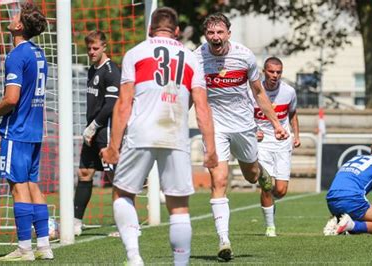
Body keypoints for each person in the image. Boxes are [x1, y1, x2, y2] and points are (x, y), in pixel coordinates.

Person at [101, 7, 217, 266]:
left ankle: (134, 257)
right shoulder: (191, 58)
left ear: (150, 29)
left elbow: (124, 103)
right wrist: (210, 149)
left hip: (141, 133)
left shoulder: (136, 53)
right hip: (175, 134)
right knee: (178, 206)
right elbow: (202, 106)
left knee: (123, 194)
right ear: (176, 31)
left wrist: (113, 147)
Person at [194, 13, 288, 262]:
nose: (216, 37)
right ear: (206, 35)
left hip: (244, 125)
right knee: (219, 180)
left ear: (228, 34)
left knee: (252, 176)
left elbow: (258, 93)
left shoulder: (244, 55)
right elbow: (191, 93)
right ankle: (224, 240)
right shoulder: (196, 57)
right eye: (211, 33)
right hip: (215, 127)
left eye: (220, 32)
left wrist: (276, 124)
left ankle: (261, 172)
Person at [0, 3, 53, 261]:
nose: (11, 17)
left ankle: (24, 248)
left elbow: (11, 98)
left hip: (18, 131)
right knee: (32, 185)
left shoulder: (16, 55)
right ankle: (44, 246)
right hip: (35, 130)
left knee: (18, 187)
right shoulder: (39, 53)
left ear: (19, 26)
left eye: (15, 16)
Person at [73, 30, 121, 236]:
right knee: (84, 173)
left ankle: (125, 225)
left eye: (95, 48)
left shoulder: (111, 71)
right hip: (92, 130)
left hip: (106, 130)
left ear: (104, 47)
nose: (92, 52)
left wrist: (94, 126)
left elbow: (111, 104)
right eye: (89, 49)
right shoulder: (92, 70)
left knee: (115, 176)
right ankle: (75, 223)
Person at [253, 57, 300, 237]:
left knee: (280, 190)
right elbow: (246, 114)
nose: (275, 75)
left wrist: (297, 135)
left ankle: (270, 202)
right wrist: (253, 131)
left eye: (278, 72)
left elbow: (293, 113)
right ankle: (270, 227)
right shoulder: (254, 91)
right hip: (262, 144)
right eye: (271, 71)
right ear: (264, 72)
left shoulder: (289, 92)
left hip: (282, 143)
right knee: (266, 185)